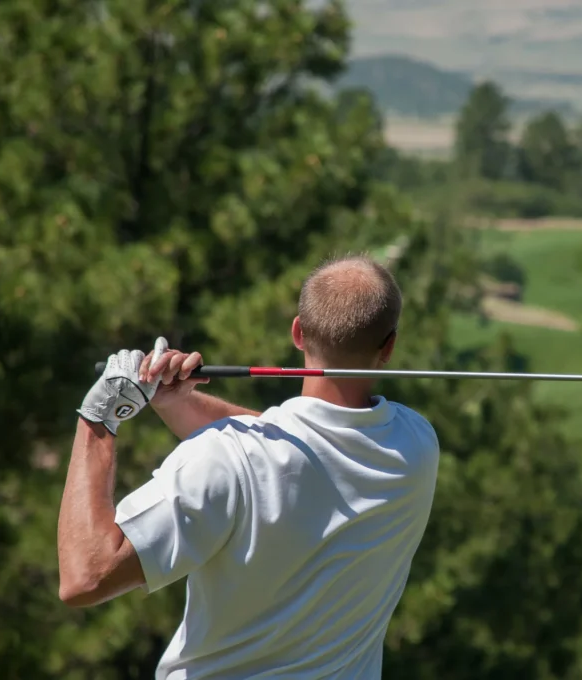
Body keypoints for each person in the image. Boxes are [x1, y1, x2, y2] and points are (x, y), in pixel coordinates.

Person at [56, 255, 440, 679]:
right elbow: (287, 443)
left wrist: (99, 417)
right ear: (389, 347)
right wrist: (178, 402)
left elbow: (86, 576)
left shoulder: (228, 457)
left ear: (297, 332)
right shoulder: (417, 444)